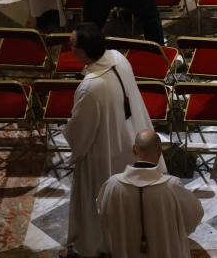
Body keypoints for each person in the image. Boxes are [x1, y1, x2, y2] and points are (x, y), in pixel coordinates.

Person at [63, 23, 160, 257]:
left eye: (72, 45)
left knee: (101, 202)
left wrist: (69, 133)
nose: (69, 49)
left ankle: (99, 243)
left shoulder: (90, 87)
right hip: (128, 140)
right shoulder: (118, 58)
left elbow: (81, 132)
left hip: (102, 153)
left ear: (85, 52)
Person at [97, 130, 203, 258]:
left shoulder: (112, 185)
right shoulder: (172, 186)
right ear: (159, 150)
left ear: (134, 150)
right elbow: (195, 214)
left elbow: (104, 218)